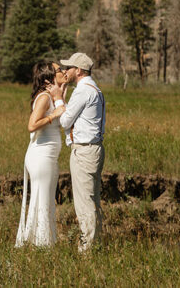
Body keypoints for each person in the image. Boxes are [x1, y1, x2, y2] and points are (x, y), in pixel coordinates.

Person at [14, 61, 68, 247]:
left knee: (46, 199)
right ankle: (41, 245)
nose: (63, 71)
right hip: (41, 155)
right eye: (59, 70)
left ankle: (42, 242)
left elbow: (63, 110)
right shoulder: (44, 97)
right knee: (42, 198)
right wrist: (54, 115)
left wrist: (62, 88)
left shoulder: (52, 96)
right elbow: (32, 125)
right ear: (50, 76)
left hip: (49, 156)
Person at [58, 52, 106, 252]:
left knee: (84, 204)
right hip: (94, 149)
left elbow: (64, 121)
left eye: (68, 68)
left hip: (84, 151)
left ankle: (87, 250)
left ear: (78, 71)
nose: (65, 71)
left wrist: (58, 99)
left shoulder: (82, 91)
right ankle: (97, 245)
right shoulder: (95, 89)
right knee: (93, 201)